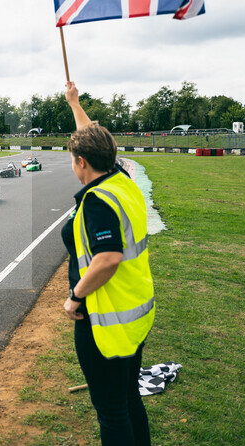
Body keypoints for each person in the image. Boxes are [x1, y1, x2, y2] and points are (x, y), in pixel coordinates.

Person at [61, 81, 154, 446]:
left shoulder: (98, 201)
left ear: (81, 162)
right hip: (134, 312)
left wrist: (75, 296)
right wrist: (74, 103)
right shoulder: (123, 179)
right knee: (129, 400)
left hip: (104, 320)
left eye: (73, 157)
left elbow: (108, 258)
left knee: (111, 410)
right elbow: (96, 140)